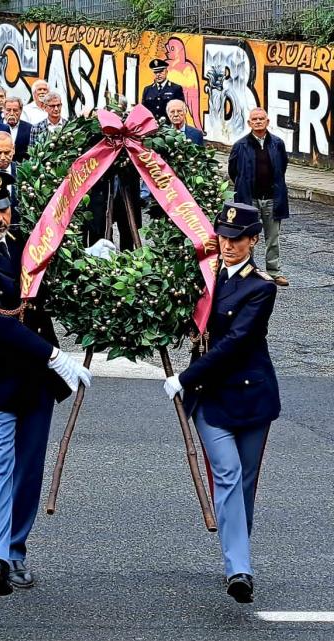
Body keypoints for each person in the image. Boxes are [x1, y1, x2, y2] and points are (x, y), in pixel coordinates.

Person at [0, 170, 90, 594]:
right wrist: (54, 355)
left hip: (34, 385)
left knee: (28, 472)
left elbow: (57, 275)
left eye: (3, 209)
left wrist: (92, 263)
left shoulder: (25, 245)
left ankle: (16, 551)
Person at [162, 202, 280, 604]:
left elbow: (235, 343)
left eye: (236, 239)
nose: (227, 245)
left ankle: (235, 553)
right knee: (227, 475)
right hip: (211, 398)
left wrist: (184, 376)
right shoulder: (202, 276)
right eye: (223, 238)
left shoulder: (261, 288)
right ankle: (240, 569)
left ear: (252, 240)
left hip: (252, 396)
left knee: (244, 485)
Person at [228, 108, 290, 286]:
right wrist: (244, 187)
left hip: (272, 198)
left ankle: (274, 272)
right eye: (254, 119)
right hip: (249, 199)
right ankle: (248, 270)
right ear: (249, 123)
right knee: (248, 237)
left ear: (267, 121)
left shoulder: (277, 144)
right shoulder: (240, 145)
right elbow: (233, 171)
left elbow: (282, 168)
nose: (258, 121)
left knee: (273, 238)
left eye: (261, 119)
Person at [141, 58, 185, 123]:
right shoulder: (147, 90)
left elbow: (180, 110)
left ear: (166, 72)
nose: (158, 75)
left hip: (169, 127)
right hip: (151, 128)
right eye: (156, 72)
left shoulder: (176, 89)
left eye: (161, 71)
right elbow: (143, 111)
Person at [2, 97, 32, 161]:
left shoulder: (29, 128)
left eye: (15, 110)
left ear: (20, 111)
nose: (12, 113)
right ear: (3, 110)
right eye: (8, 110)